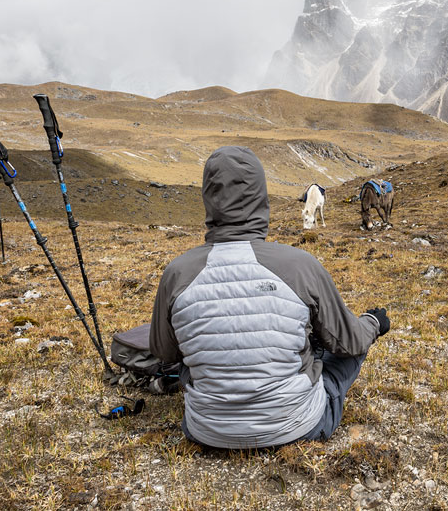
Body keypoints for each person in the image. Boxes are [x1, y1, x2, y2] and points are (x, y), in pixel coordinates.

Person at [150, 146, 389, 449]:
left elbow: (164, 352)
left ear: (208, 199)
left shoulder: (176, 273)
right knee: (347, 343)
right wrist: (372, 322)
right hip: (300, 425)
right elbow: (349, 341)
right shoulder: (300, 266)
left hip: (206, 432)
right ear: (260, 199)